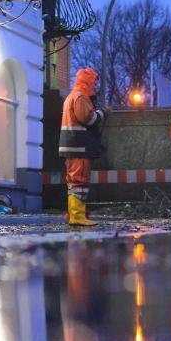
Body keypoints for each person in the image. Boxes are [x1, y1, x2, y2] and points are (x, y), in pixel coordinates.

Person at [58, 68, 105, 226]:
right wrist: (102, 114)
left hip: (72, 146)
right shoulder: (81, 97)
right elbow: (88, 119)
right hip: (80, 147)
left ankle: (73, 213)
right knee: (80, 181)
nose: (96, 85)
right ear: (89, 81)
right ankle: (77, 216)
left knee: (73, 181)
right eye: (94, 81)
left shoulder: (73, 96)